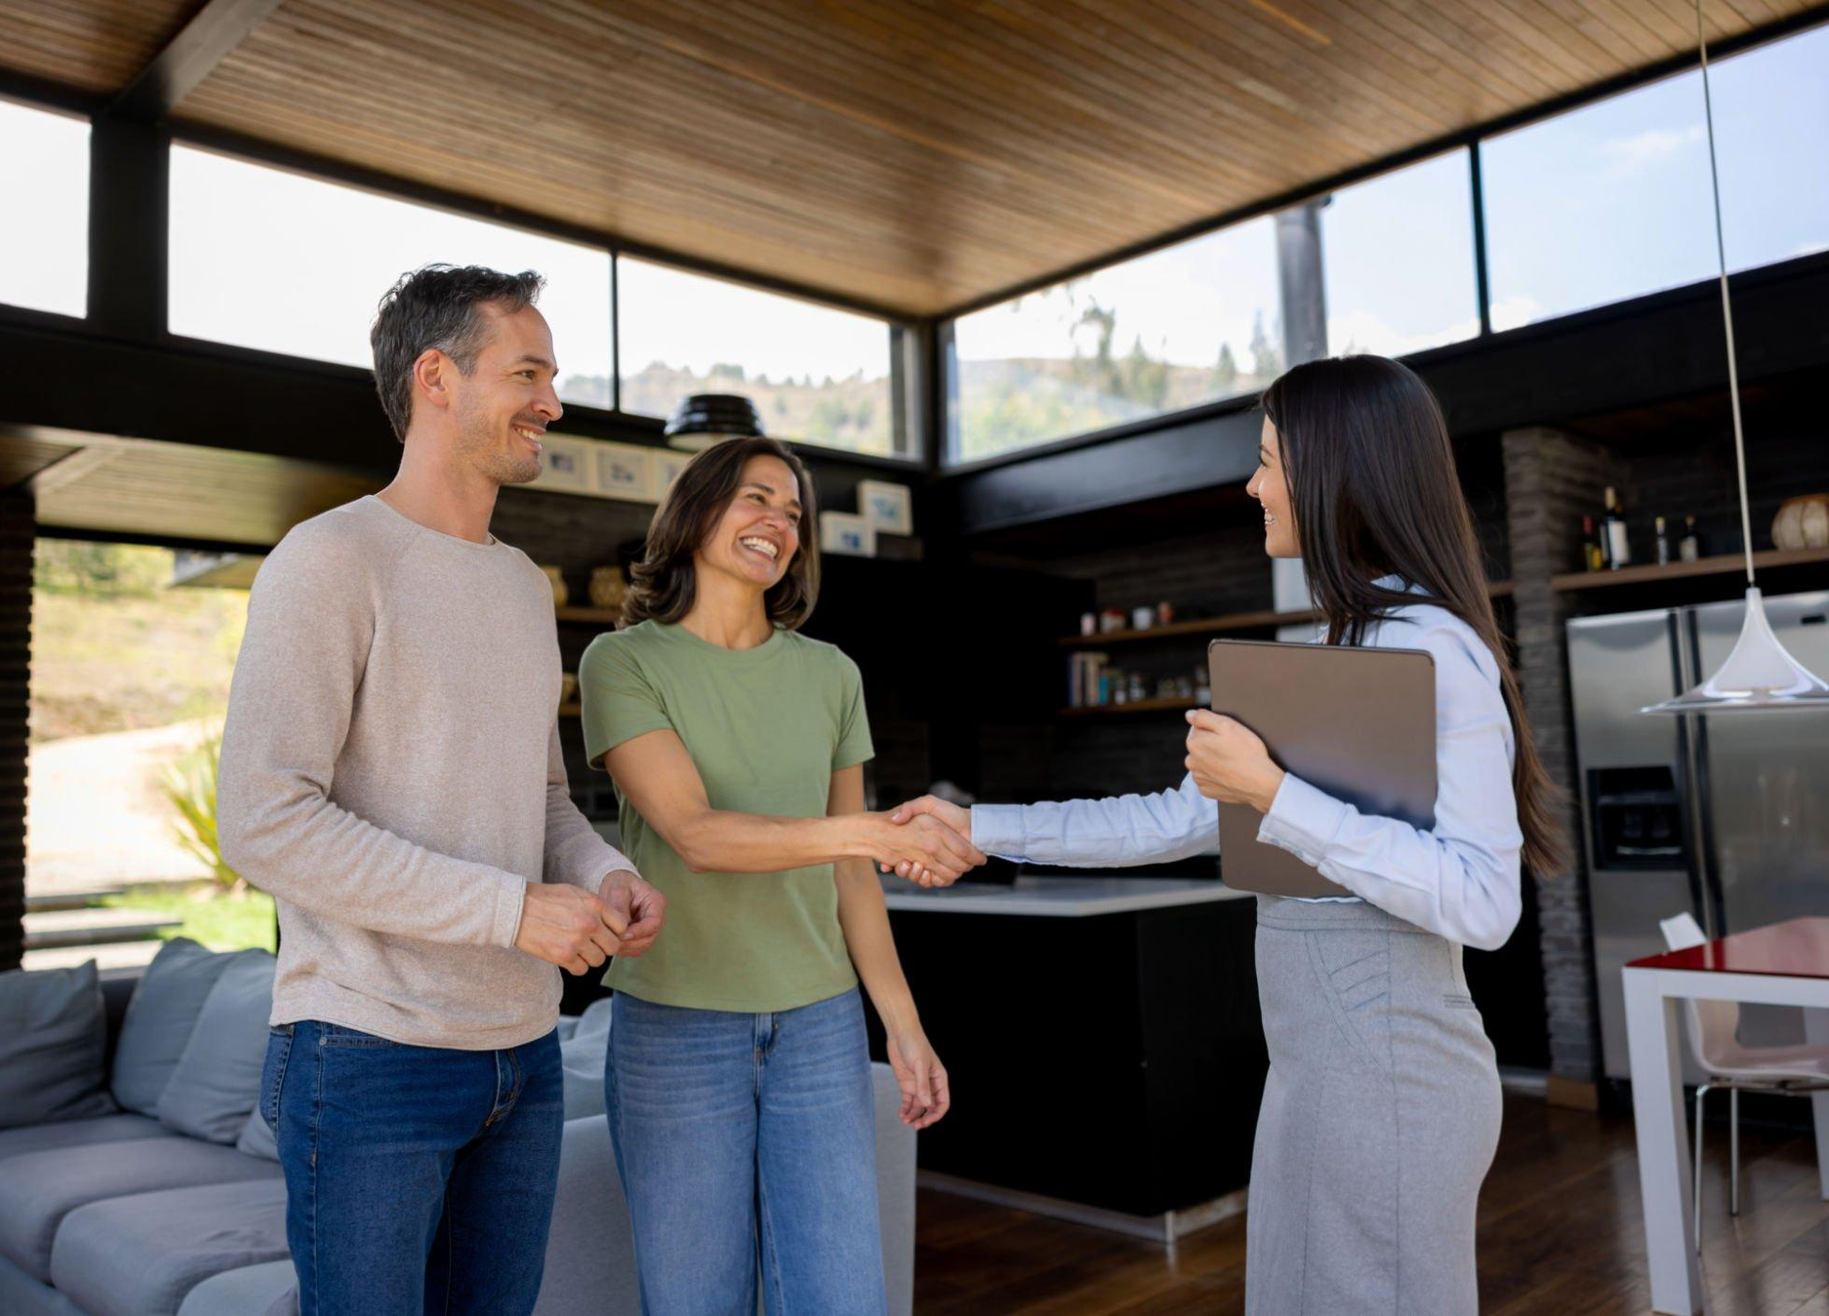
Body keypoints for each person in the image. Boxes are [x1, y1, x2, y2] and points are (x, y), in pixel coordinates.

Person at [889, 355, 1564, 1315]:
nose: (1253, 485)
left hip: (1395, 1087)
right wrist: (977, 825)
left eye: (1268, 461)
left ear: (1339, 470)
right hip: (1313, 1079)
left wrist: (1275, 791)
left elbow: (1485, 904)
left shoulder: (1434, 649)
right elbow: (1175, 818)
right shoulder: (1342, 647)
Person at [218, 264, 667, 1315]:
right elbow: (264, 818)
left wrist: (604, 871)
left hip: (524, 1053)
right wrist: (512, 910)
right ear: (437, 379)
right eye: (529, 372)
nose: (552, 402)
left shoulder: (521, 583)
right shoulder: (328, 561)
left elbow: (542, 791)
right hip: (369, 1053)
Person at [579, 435, 977, 1314]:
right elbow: (696, 834)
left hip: (819, 1030)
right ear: (697, 513)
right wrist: (871, 831)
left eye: (793, 513)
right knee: (695, 1300)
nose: (778, 523)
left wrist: (903, 1030)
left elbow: (852, 876)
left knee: (843, 1296)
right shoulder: (625, 661)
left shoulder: (832, 675)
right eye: (757, 499)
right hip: (676, 1031)